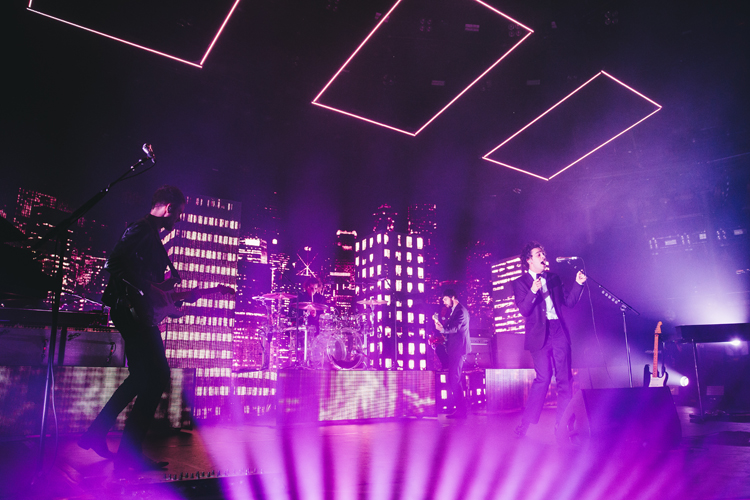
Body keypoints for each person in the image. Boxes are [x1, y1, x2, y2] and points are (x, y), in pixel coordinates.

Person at [78, 185, 192, 471]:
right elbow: (113, 264)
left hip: (134, 311)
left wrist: (162, 295)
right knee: (158, 374)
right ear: (168, 208)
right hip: (129, 311)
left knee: (143, 375)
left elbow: (139, 273)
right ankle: (129, 452)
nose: (178, 219)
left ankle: (100, 435)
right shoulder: (141, 229)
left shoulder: (149, 233)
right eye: (178, 213)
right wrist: (152, 287)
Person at [511, 241, 586, 437]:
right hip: (538, 335)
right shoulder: (519, 283)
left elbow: (569, 302)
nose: (543, 257)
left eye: (543, 253)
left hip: (558, 331)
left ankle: (562, 425)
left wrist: (578, 284)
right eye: (538, 254)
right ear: (529, 260)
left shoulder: (554, 278)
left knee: (565, 380)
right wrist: (533, 291)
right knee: (543, 378)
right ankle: (526, 424)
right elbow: (524, 310)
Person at [433, 289, 471, 418]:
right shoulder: (455, 310)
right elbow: (452, 327)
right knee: (454, 378)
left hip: (459, 349)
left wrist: (443, 329)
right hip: (455, 348)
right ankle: (461, 410)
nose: (443, 301)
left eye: (445, 299)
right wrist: (441, 325)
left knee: (454, 378)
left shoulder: (460, 310)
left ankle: (462, 411)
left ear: (452, 297)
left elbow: (455, 328)